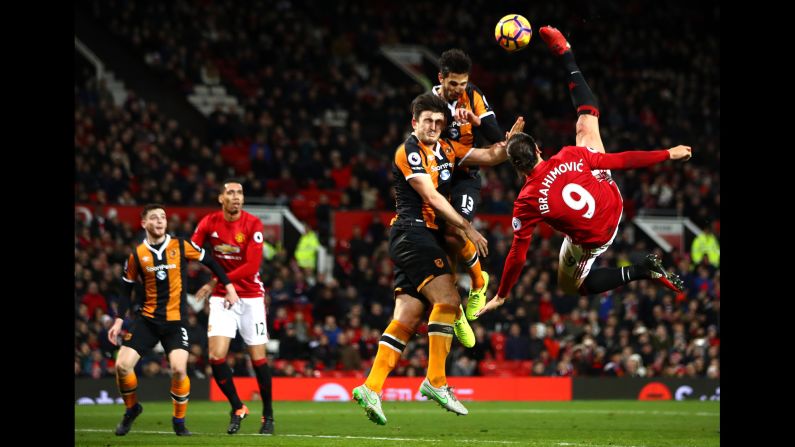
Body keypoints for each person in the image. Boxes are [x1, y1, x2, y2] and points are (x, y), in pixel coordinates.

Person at [476, 26, 691, 318]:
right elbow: (623, 160)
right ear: (539, 149)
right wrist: (668, 153)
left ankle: (641, 272)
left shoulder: (525, 202)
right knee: (586, 124)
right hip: (611, 199)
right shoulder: (570, 155)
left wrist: (502, 295)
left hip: (597, 237)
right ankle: (567, 56)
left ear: (514, 167)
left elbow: (517, 255)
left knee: (571, 286)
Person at [351, 92, 523, 425]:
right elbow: (429, 195)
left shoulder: (447, 149)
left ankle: (371, 387)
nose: (433, 126)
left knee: (408, 315)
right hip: (412, 232)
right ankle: (436, 381)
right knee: (448, 301)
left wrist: (509, 143)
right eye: (427, 121)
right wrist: (465, 227)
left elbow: (489, 157)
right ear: (414, 123)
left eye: (438, 122)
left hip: (419, 238)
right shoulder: (408, 151)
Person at [108, 204, 239, 436]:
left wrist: (227, 286)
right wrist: (119, 321)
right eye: (154, 218)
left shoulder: (180, 245)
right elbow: (125, 290)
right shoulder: (137, 254)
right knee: (122, 365)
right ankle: (132, 409)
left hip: (175, 322)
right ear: (144, 223)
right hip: (147, 321)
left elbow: (212, 262)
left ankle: (179, 423)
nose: (160, 221)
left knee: (179, 370)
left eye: (163, 217)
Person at [192, 179, 275, 435]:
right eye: (230, 193)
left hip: (250, 296)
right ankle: (238, 407)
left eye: (239, 193)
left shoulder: (253, 224)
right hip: (221, 298)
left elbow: (252, 266)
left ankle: (268, 416)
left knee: (258, 358)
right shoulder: (209, 222)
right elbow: (192, 249)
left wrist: (215, 280)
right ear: (221, 198)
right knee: (216, 357)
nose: (236, 197)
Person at [433, 49, 506, 325]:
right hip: (436, 176)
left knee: (454, 230)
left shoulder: (472, 94)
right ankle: (454, 311)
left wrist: (477, 122)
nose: (458, 90)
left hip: (465, 174)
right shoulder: (428, 104)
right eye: (453, 84)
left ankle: (478, 283)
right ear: (441, 78)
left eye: (462, 84)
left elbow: (493, 132)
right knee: (442, 249)